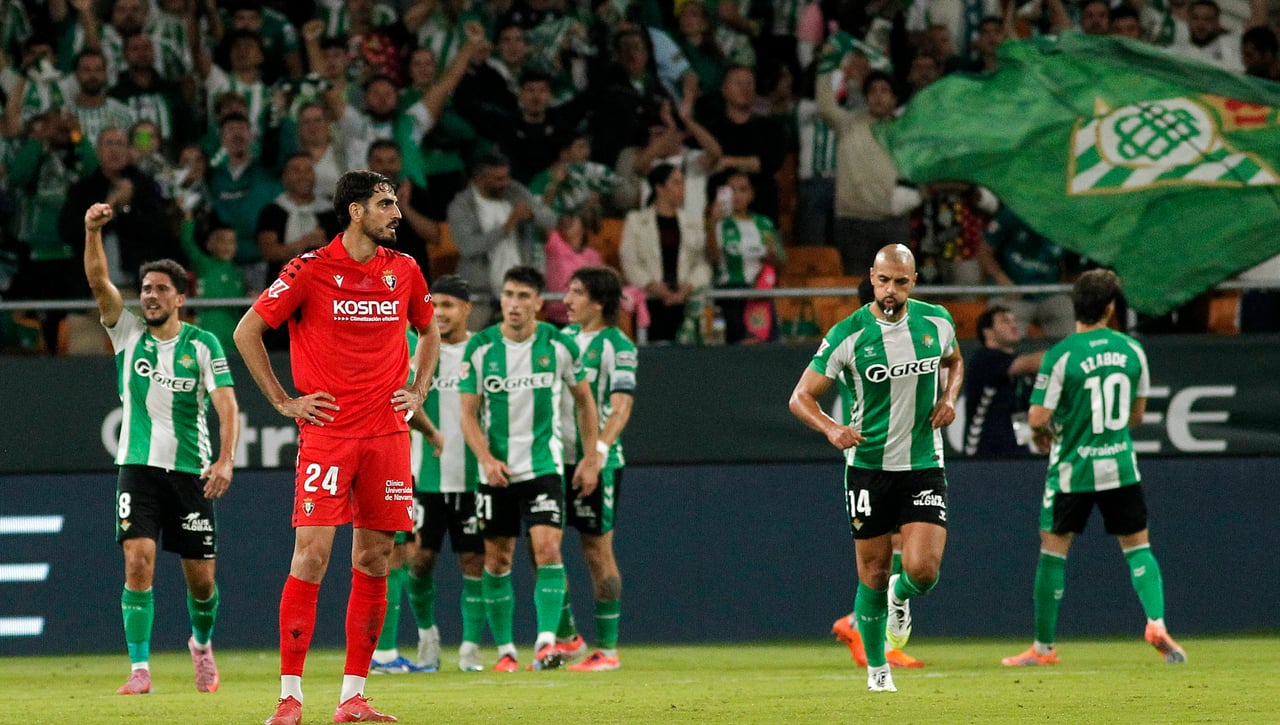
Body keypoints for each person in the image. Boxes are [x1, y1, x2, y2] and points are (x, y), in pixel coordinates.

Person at [235, 170, 441, 725]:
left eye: (395, 203)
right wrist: (283, 401)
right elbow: (247, 330)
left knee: (374, 559)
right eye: (385, 204)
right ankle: (290, 698)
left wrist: (419, 389)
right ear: (354, 212)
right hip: (328, 434)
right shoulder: (309, 270)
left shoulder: (406, 271)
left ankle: (353, 697)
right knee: (312, 556)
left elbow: (429, 328)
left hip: (388, 436)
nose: (396, 214)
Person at [788, 244, 963, 693]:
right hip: (867, 467)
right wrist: (831, 428)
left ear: (914, 281)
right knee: (873, 573)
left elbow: (955, 361)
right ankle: (877, 670)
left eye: (900, 282)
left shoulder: (937, 321)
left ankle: (900, 599)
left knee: (923, 570)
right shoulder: (848, 334)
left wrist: (948, 398)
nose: (890, 290)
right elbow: (800, 397)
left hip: (924, 461)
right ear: (872, 277)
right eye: (883, 281)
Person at [82, 202, 240, 696]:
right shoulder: (126, 332)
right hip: (137, 466)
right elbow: (97, 281)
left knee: (201, 583)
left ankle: (201, 645)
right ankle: (140, 668)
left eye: (160, 290)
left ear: (180, 297)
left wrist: (225, 458)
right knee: (138, 561)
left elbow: (227, 404)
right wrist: (92, 231)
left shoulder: (202, 344)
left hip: (191, 472)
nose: (149, 296)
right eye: (146, 289)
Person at [1002, 269, 1188, 667]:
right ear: (1109, 308)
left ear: (1075, 307)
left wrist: (1051, 430)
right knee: (1138, 547)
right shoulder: (1132, 351)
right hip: (1120, 465)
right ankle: (1156, 622)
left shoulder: (1062, 355)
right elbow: (1135, 416)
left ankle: (1043, 648)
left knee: (1053, 551)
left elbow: (1037, 418)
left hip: (1073, 467)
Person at [458, 265, 602, 672]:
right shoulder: (481, 348)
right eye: (508, 295)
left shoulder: (558, 345)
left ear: (539, 303)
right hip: (497, 471)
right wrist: (486, 459)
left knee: (548, 549)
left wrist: (591, 458)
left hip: (543, 466)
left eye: (523, 297)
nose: (514, 304)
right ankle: (506, 651)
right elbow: (468, 414)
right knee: (497, 560)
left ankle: (545, 643)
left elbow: (585, 402)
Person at [372, 275, 489, 674]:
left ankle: (471, 648)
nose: (439, 312)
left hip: (473, 478)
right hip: (422, 475)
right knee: (416, 560)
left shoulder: (483, 349)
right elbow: (397, 395)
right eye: (434, 304)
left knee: (474, 561)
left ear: (467, 309)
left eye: (449, 305)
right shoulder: (409, 344)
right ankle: (426, 638)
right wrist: (430, 431)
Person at [556, 266, 638, 672]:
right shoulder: (559, 339)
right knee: (544, 549)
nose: (566, 300)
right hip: (553, 460)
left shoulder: (618, 345)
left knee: (596, 551)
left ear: (599, 302)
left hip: (598, 463)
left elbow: (621, 404)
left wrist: (597, 453)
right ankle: (569, 637)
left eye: (576, 292)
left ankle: (607, 649)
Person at [618, 163, 713, 342]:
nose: (682, 189)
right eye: (676, 183)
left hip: (685, 302)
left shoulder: (693, 223)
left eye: (683, 183)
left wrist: (688, 287)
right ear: (659, 187)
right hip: (650, 302)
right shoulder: (636, 221)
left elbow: (701, 263)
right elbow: (630, 262)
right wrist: (653, 286)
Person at [963, 306, 1045, 457]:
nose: (1014, 325)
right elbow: (1033, 363)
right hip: (983, 454)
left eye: (1014, 321)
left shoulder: (1021, 371)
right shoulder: (984, 359)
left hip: (1016, 451)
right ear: (987, 332)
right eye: (1005, 321)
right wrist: (1069, 351)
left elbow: (1024, 410)